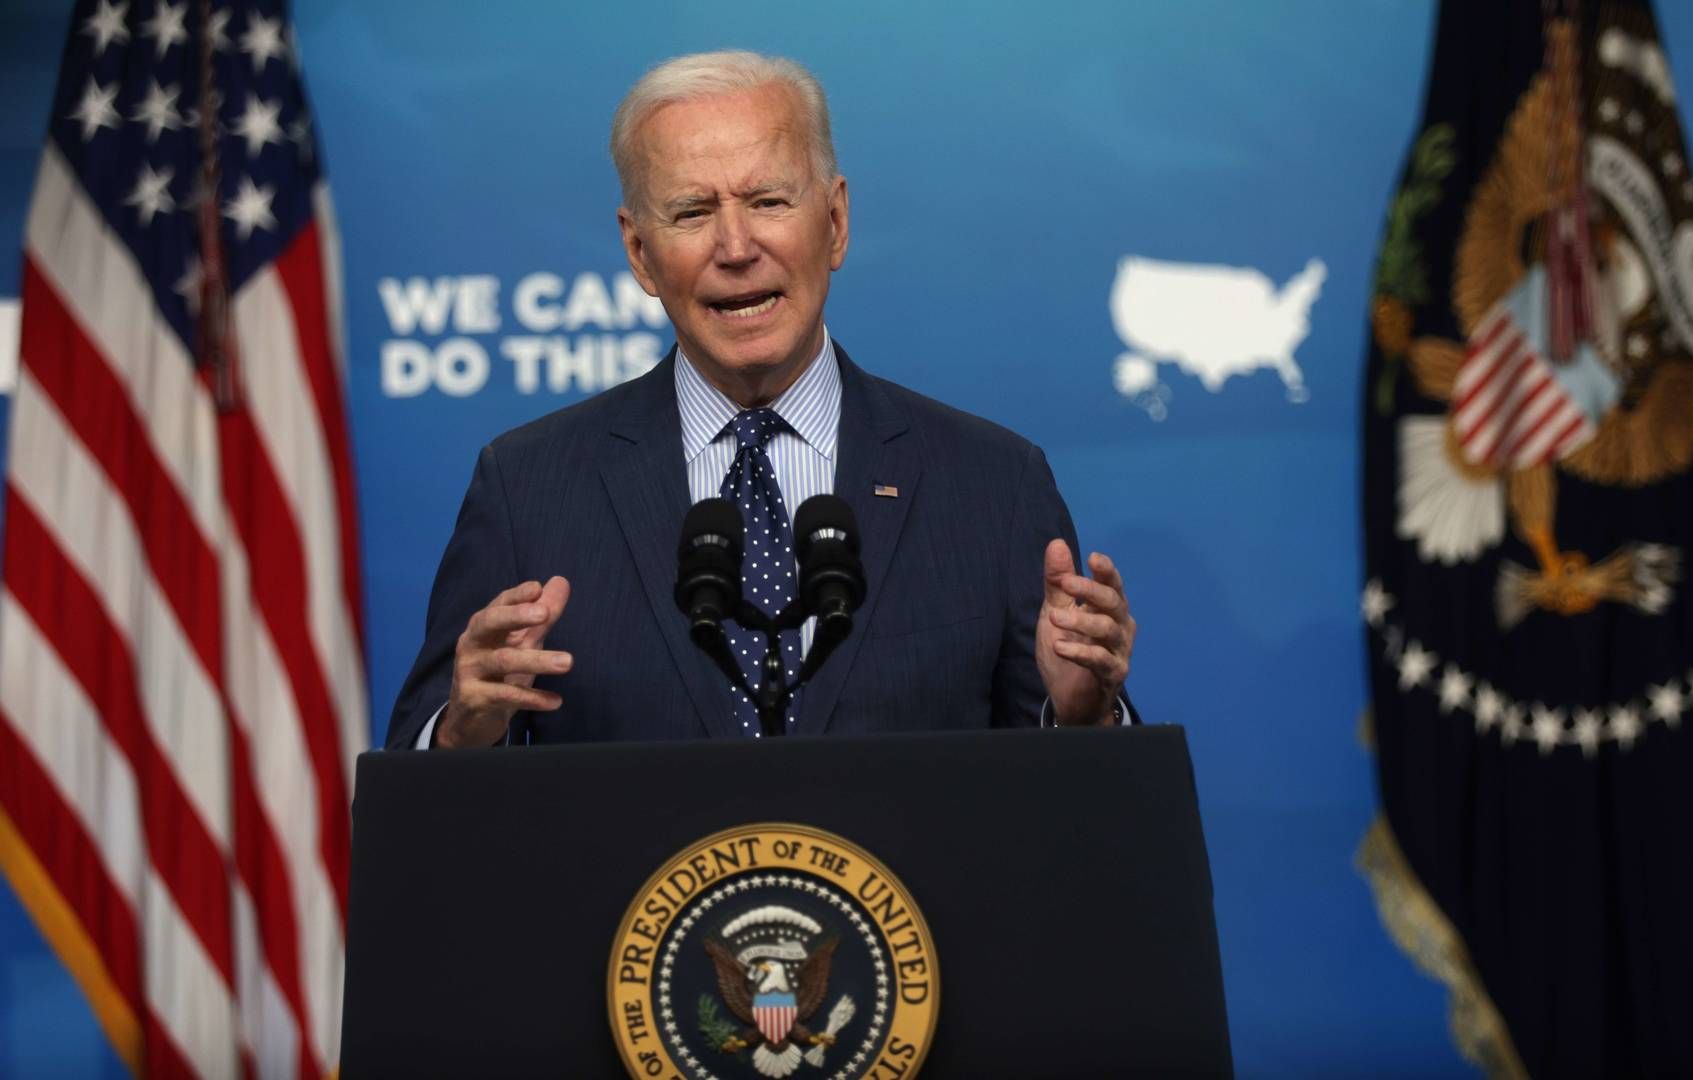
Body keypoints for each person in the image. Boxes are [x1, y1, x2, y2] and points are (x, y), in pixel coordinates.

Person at [386, 50, 1137, 749]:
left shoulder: (992, 486)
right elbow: (418, 816)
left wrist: (1082, 717)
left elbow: (1083, 836)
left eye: (769, 200)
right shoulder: (529, 488)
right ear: (639, 253)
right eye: (691, 212)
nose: (737, 246)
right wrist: (460, 733)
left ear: (835, 223)